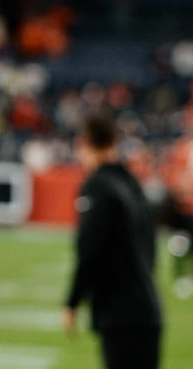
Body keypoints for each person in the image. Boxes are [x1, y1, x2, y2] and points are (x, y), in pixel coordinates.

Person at [63, 113, 162, 369]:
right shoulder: (132, 184)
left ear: (85, 143)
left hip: (121, 313)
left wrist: (73, 301)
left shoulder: (98, 186)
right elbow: (151, 243)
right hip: (148, 308)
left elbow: (89, 250)